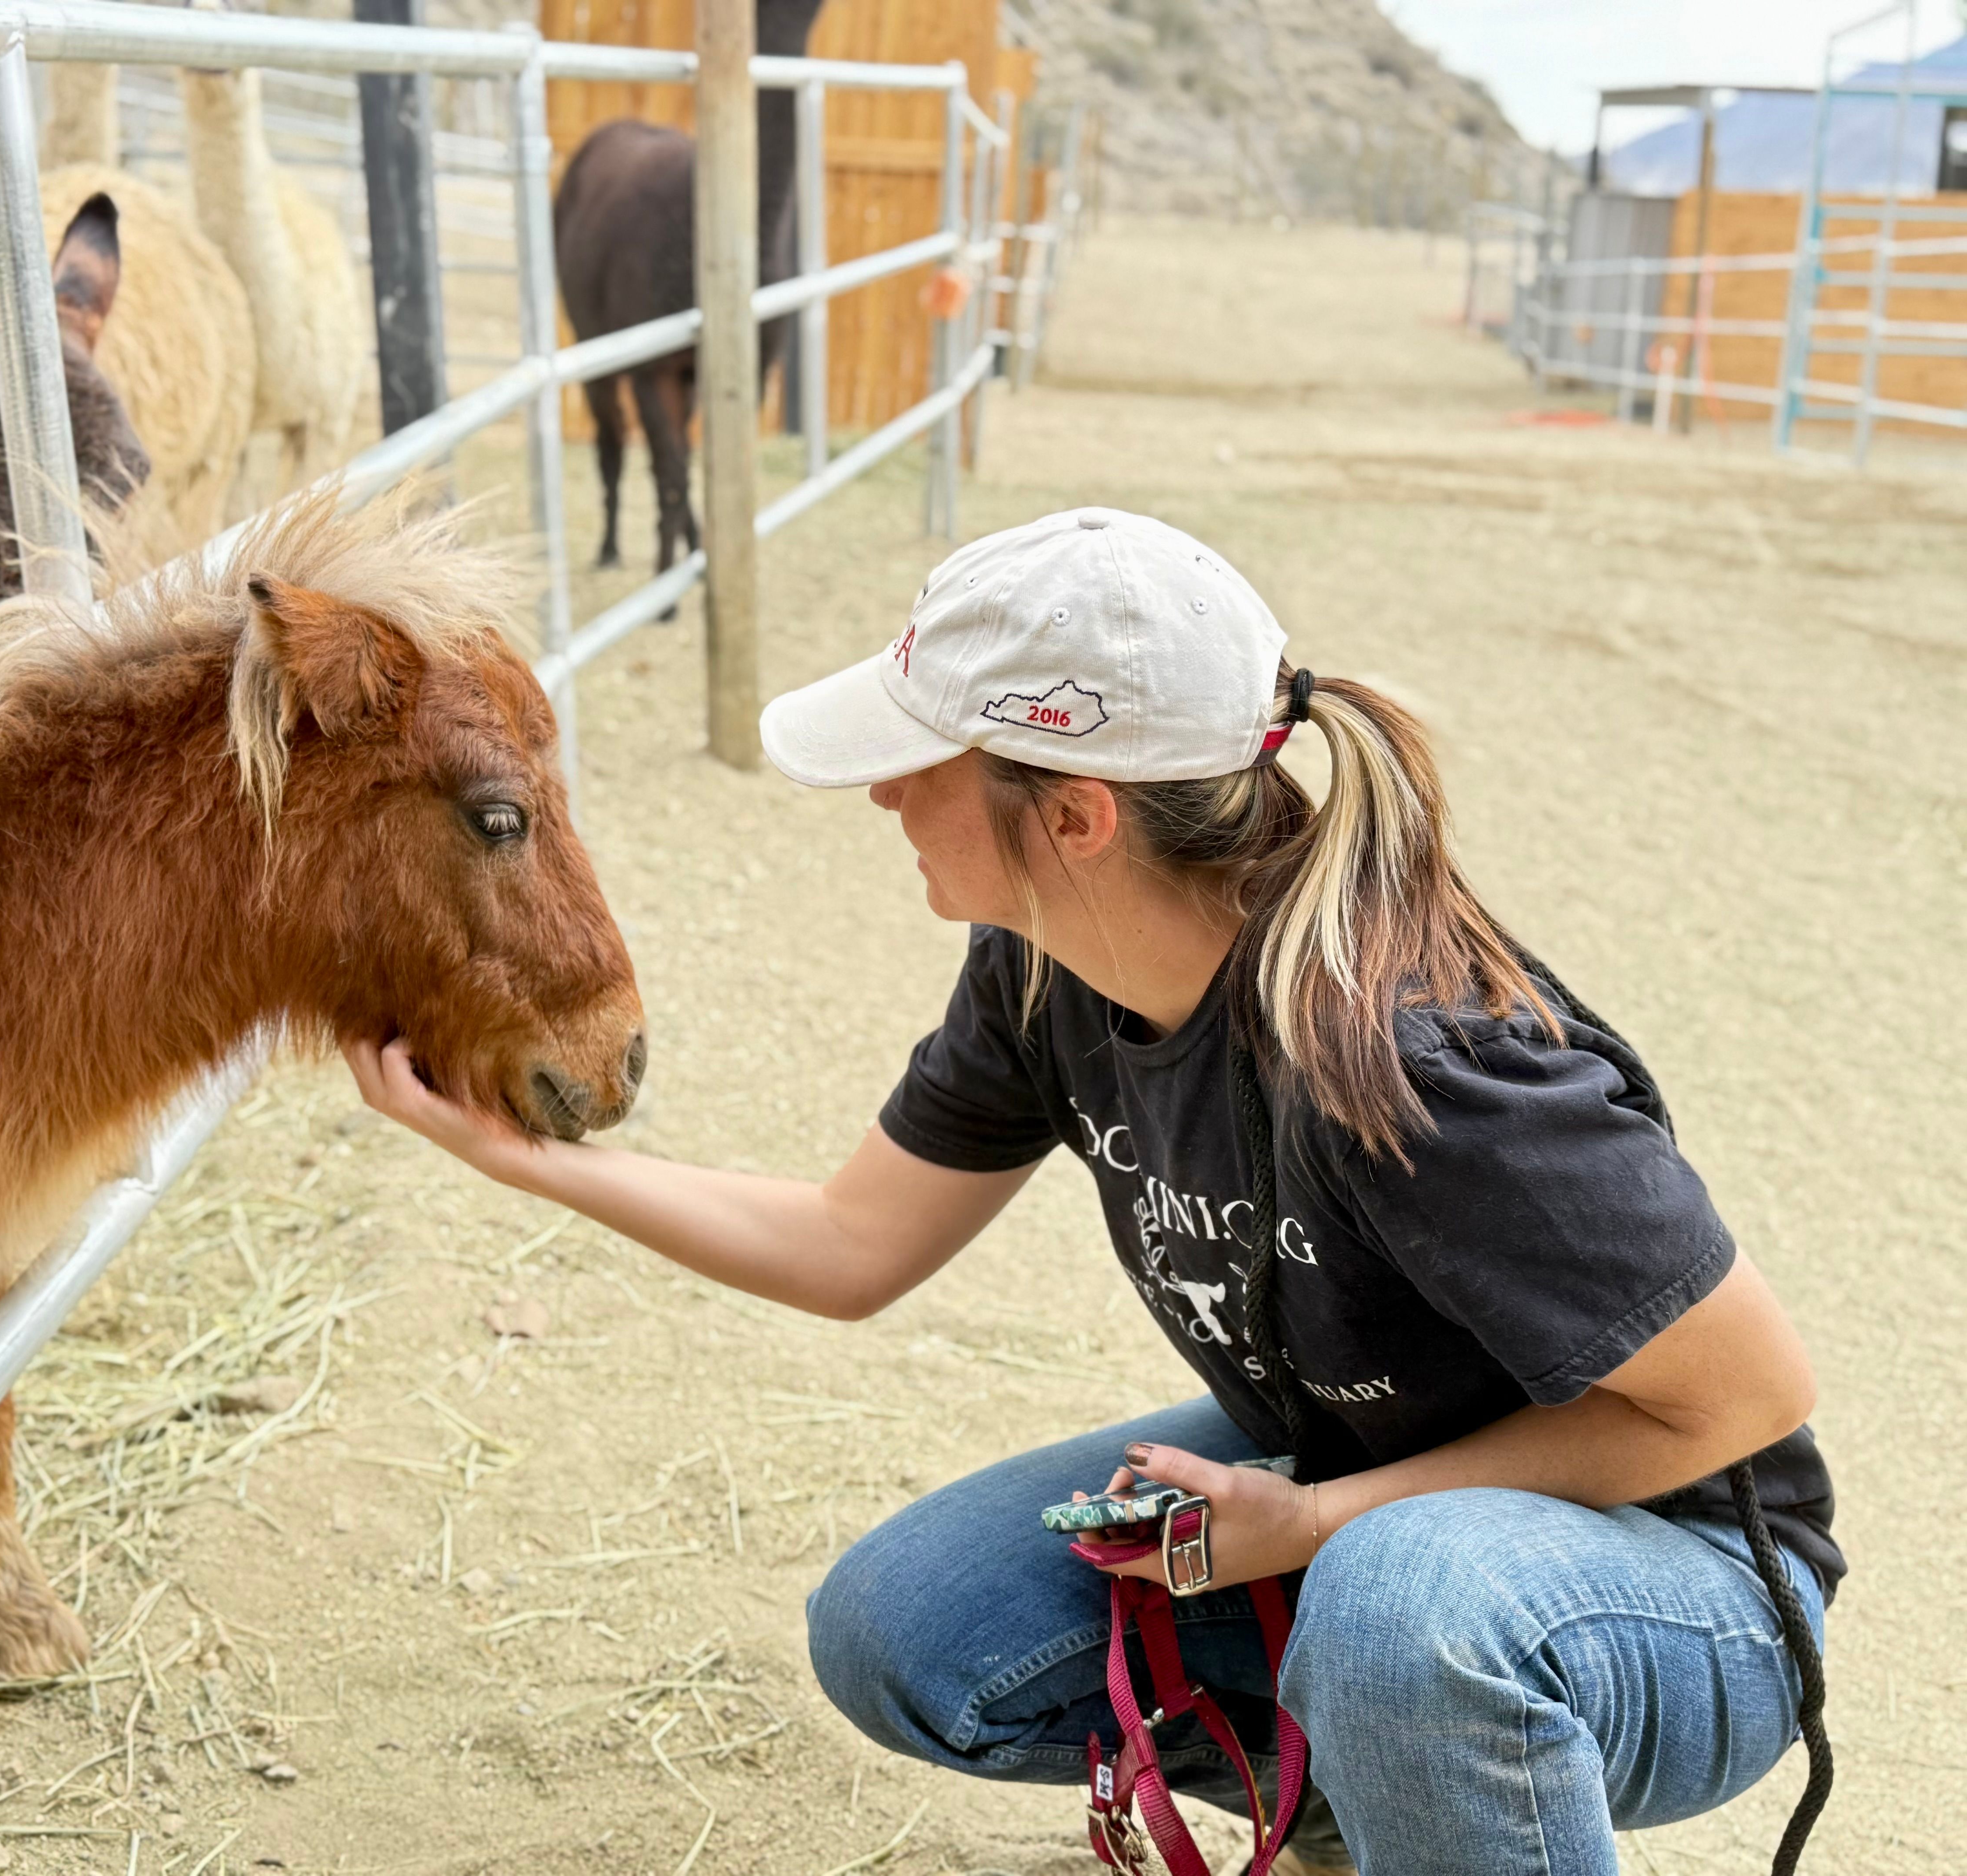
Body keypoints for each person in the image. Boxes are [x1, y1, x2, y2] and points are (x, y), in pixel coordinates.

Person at [343, 509, 1839, 1876]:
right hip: (1356, 1488)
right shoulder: (1045, 970)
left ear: (1075, 818)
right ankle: (1365, 1801)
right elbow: (850, 1244)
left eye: (922, 757)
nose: (881, 790)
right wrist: (519, 1148)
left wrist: (1317, 1520)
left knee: (1401, 1607)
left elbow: (1741, 1398)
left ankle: (1416, 1741)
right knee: (910, 1628)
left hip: (1681, 1582)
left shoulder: (1409, 1054)